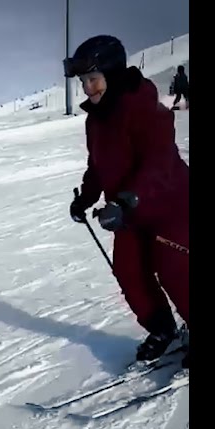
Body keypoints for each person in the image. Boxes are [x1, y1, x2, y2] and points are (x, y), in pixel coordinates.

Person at [65, 35, 190, 367]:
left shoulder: (144, 106)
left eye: (93, 79)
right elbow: (98, 165)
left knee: (174, 270)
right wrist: (86, 198)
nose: (87, 88)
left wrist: (127, 199)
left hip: (169, 204)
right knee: (129, 271)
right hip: (128, 213)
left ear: (112, 74)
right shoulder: (96, 119)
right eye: (83, 82)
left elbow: (159, 160)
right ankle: (162, 329)